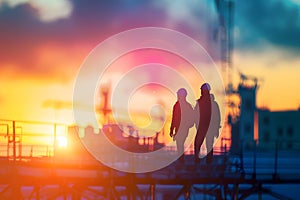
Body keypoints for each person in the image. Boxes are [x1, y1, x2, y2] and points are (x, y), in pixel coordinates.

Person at [170, 88, 194, 163]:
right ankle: (181, 160)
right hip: (184, 129)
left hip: (180, 129)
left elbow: (174, 118)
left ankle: (181, 161)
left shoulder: (177, 106)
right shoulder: (188, 106)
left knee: (179, 144)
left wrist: (171, 129)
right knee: (180, 143)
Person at [194, 83, 212, 164]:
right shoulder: (212, 103)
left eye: (202, 90)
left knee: (198, 144)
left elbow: (195, 114)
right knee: (209, 145)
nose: (201, 91)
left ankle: (197, 162)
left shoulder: (201, 102)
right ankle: (209, 163)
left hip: (202, 126)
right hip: (208, 127)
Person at [205, 94, 221, 164]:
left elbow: (217, 118)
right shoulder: (214, 105)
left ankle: (209, 159)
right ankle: (209, 159)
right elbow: (218, 118)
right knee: (209, 144)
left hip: (210, 129)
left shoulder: (212, 106)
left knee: (209, 144)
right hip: (209, 129)